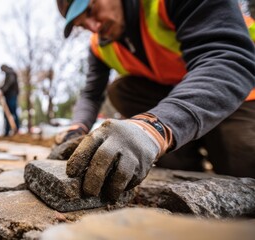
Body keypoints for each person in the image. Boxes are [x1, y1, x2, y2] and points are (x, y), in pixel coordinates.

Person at [50, 0, 255, 202]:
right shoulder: (100, 45)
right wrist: (77, 127)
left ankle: (202, 139)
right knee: (121, 90)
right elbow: (91, 94)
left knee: (241, 164)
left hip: (238, 92)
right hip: (174, 95)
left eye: (92, 11)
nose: (94, 27)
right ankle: (183, 158)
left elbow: (229, 58)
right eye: (82, 25)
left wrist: (152, 128)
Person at [0, 64, 20, 136]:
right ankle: (8, 131)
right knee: (7, 113)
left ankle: (16, 129)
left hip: (11, 95)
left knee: (12, 112)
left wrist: (3, 89)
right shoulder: (9, 73)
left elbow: (10, 82)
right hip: (9, 95)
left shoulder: (10, 73)